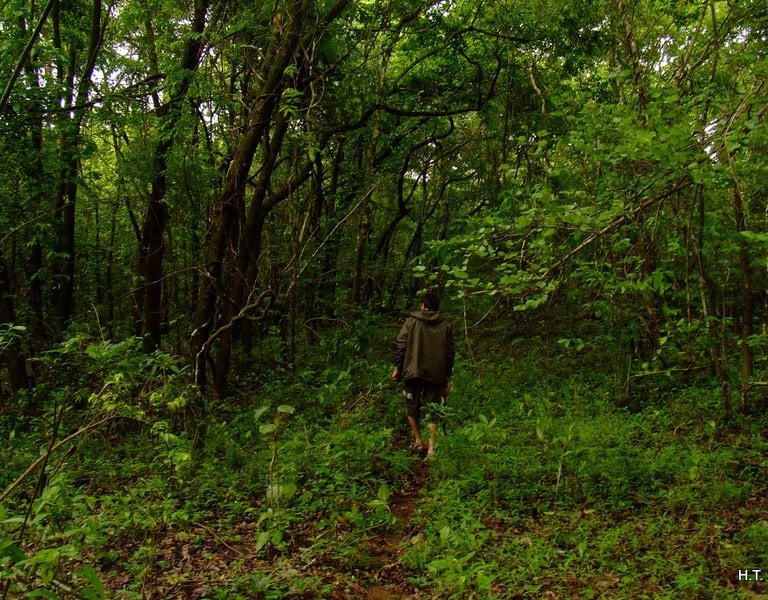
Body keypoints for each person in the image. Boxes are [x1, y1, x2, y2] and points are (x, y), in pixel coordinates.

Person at [391, 292, 455, 457]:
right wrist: (446, 377)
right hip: (436, 374)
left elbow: (401, 344)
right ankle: (432, 448)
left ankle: (419, 441)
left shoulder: (411, 322)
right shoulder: (446, 325)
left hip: (413, 371)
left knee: (411, 406)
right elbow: (450, 353)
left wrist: (398, 367)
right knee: (433, 408)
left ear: (423, 306)